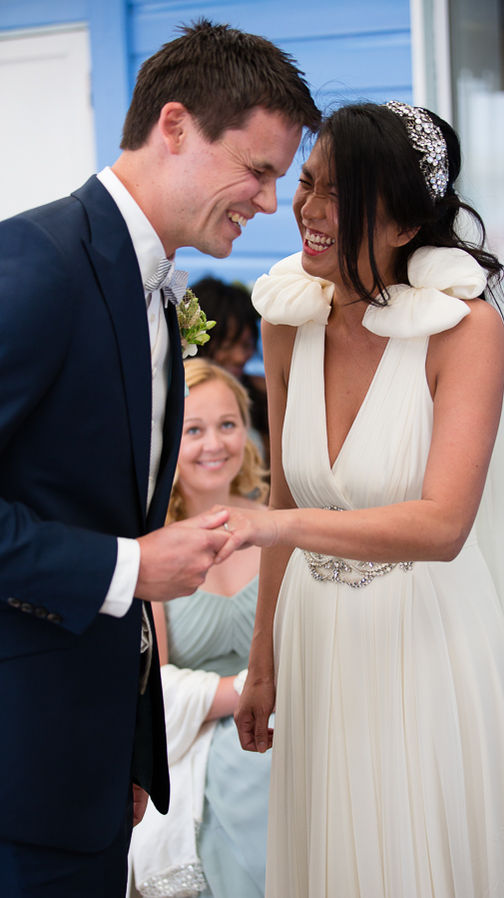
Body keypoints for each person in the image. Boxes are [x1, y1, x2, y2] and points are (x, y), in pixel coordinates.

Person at [223, 102, 504, 896]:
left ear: (402, 224)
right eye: (306, 182)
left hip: (425, 639)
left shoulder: (464, 330)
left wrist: (278, 521)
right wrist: (262, 663)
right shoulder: (290, 320)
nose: (309, 212)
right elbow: (285, 492)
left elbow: (444, 523)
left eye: (338, 195)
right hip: (314, 634)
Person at [0, 19, 319, 898]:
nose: (267, 203)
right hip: (19, 763)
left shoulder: (153, 290)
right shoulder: (37, 261)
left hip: (95, 766)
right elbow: (122, 554)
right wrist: (129, 565)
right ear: (173, 126)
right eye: (256, 171)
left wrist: (133, 747)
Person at [128, 358, 270, 897]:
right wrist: (246, 691)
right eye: (193, 429)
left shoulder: (277, 522)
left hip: (286, 720)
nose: (215, 443)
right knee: (251, 766)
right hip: (196, 737)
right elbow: (150, 683)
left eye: (227, 425)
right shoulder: (151, 543)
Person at [188, 276, 270, 461]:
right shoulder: (178, 397)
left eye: (246, 345)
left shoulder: (264, 393)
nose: (240, 357)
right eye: (227, 345)